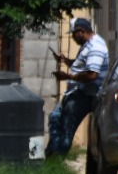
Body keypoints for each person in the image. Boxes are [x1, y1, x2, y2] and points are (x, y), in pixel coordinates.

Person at [46, 16, 109, 158]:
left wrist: (67, 77)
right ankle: (51, 155)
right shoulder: (88, 45)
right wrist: (65, 60)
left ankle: (56, 160)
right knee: (56, 117)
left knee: (67, 127)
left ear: (81, 31)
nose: (73, 38)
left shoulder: (95, 47)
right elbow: (81, 65)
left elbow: (91, 74)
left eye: (74, 34)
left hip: (85, 95)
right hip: (77, 92)